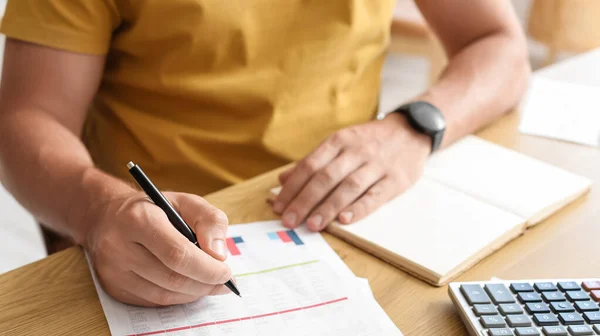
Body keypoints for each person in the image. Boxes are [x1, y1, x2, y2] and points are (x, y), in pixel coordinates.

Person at [0, 0, 529, 306]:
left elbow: (499, 43)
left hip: (353, 226)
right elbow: (26, 119)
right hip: (158, 248)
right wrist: (99, 211)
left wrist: (411, 127)